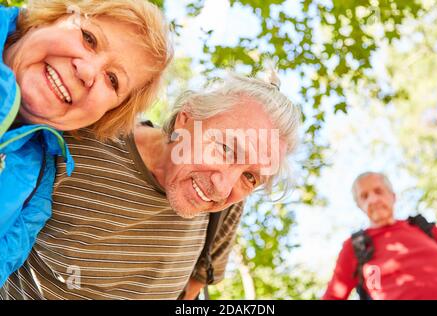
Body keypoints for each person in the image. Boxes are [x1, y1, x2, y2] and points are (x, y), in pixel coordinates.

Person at [0, 72, 300, 300]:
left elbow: (191, 290)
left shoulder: (226, 211)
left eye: (251, 177)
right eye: (226, 148)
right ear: (186, 118)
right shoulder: (83, 139)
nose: (223, 189)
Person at [0, 0, 172, 286]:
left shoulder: (37, 191)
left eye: (113, 80)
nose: (87, 72)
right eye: (89, 38)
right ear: (50, 17)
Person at [323, 172, 437, 300]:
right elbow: (333, 296)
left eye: (378, 191)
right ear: (359, 206)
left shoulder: (423, 229)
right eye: (364, 196)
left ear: (393, 196)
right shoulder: (356, 246)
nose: (373, 200)